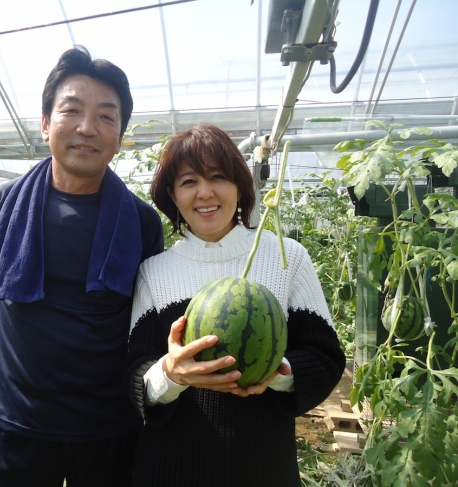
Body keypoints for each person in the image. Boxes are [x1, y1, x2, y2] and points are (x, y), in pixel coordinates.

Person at [0, 46, 164, 486]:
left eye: (106, 117)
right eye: (71, 110)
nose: (86, 128)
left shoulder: (141, 221)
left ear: (120, 136)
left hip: (108, 425)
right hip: (19, 421)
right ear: (45, 124)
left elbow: (144, 316)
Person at [124, 124, 346, 486]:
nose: (205, 192)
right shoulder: (155, 271)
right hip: (169, 471)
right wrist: (171, 375)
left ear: (240, 186)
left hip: (264, 471)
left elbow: (326, 358)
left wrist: (279, 370)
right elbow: (134, 372)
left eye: (218, 177)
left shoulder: (286, 259)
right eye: (188, 181)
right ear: (173, 195)